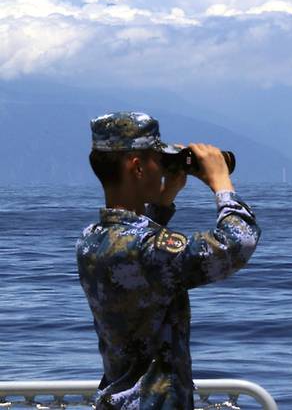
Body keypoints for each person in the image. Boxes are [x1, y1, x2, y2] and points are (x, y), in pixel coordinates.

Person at [76, 111, 261, 409]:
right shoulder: (148, 251)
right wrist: (221, 183)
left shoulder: (90, 239)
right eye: (156, 159)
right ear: (137, 167)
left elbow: (139, 258)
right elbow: (238, 242)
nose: (161, 167)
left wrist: (163, 200)